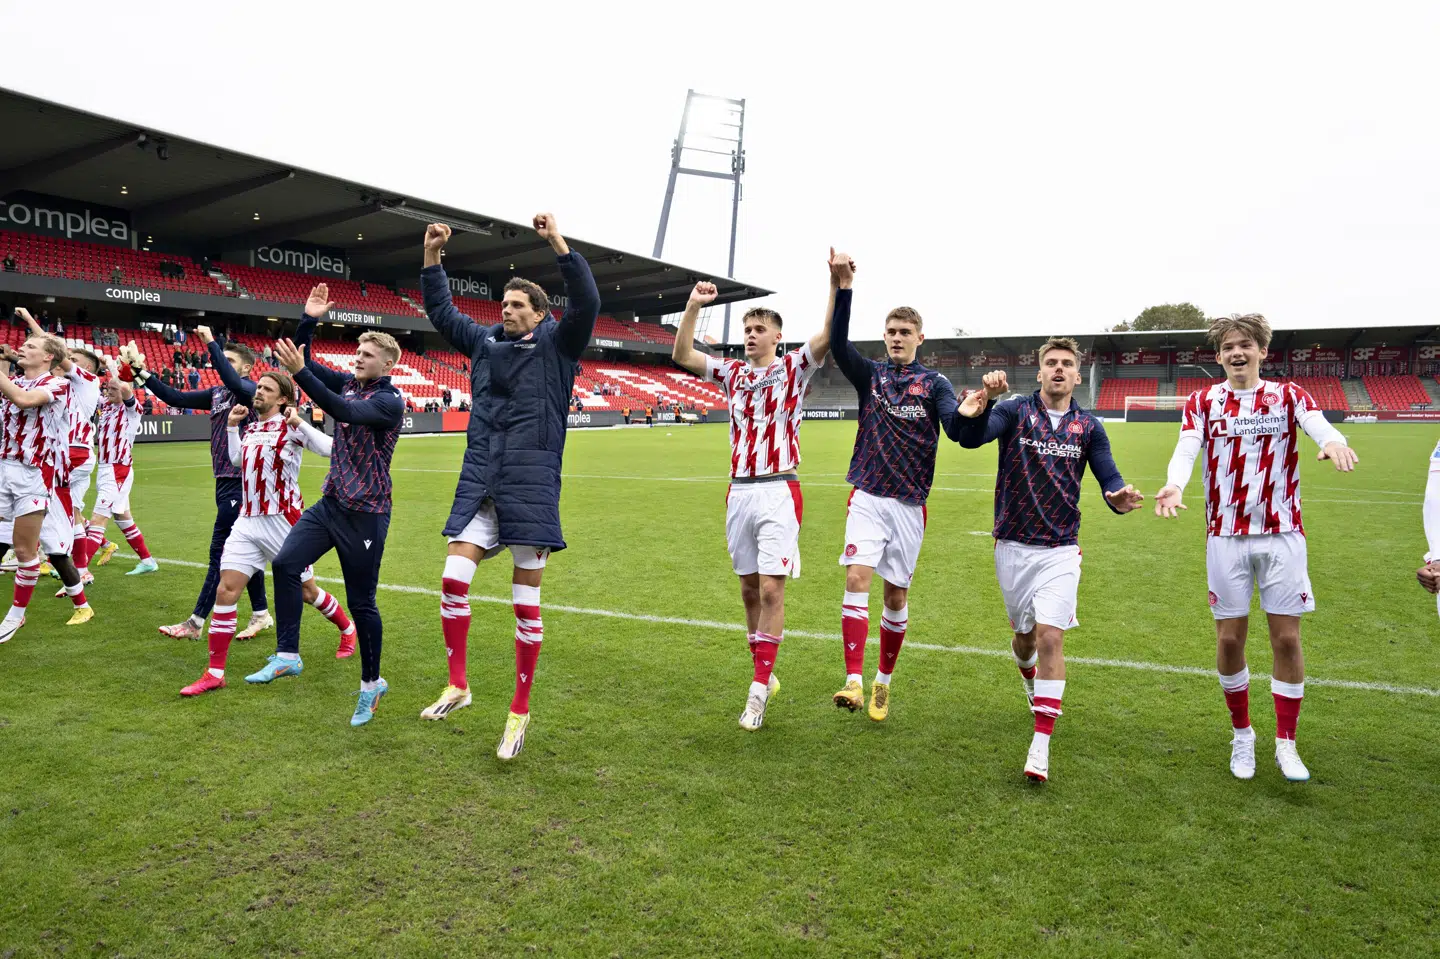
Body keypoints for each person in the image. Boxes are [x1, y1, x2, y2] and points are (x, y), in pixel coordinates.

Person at [416, 214, 600, 760]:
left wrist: (557, 244)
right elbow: (441, 312)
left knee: (526, 604)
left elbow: (586, 303)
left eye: (518, 304)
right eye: (504, 303)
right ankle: (459, 684)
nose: (507, 309)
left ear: (541, 315)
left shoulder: (559, 345)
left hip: (532, 485)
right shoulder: (484, 342)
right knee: (453, 578)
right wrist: (432, 256)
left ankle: (519, 710)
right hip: (480, 479)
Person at [1155, 314, 1357, 783]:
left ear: (1262, 351)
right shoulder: (1202, 400)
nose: (1236, 353)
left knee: (1287, 638)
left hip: (1282, 534)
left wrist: (1334, 443)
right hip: (1225, 536)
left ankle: (1286, 741)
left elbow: (1317, 423)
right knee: (1229, 639)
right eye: (1228, 347)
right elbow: (1187, 448)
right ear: (1220, 355)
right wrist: (1173, 485)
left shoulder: (1288, 394)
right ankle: (1242, 733)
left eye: (1245, 344)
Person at [956, 338, 1144, 782]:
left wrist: (1117, 498)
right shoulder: (1015, 411)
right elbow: (969, 439)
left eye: (1067, 365)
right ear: (1039, 373)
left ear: (1078, 376)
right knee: (1024, 641)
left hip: (1061, 548)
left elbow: (1109, 477)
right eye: (1051, 363)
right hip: (1013, 546)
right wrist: (981, 405)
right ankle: (1028, 680)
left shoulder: (1090, 427)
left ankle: (1040, 747)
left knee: (1050, 640)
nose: (1059, 370)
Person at [670, 265, 833, 732]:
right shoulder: (732, 373)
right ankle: (766, 670)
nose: (751, 336)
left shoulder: (793, 368)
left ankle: (757, 691)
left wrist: (835, 285)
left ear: (778, 338)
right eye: (746, 329)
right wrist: (694, 307)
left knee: (770, 589)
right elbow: (682, 353)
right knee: (747, 591)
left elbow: (825, 334)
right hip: (739, 491)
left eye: (760, 329)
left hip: (780, 488)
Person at [823, 258, 966, 722]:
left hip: (908, 505)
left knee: (895, 598)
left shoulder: (935, 384)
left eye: (905, 331)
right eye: (891, 331)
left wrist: (974, 410)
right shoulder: (872, 377)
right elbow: (839, 343)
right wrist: (845, 288)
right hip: (867, 495)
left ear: (919, 338)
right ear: (884, 337)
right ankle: (853, 680)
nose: (897, 337)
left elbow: (954, 426)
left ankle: (883, 680)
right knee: (855, 578)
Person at [255, 297, 404, 728]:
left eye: (367, 356)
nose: (358, 359)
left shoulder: (389, 401)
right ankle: (287, 654)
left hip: (366, 512)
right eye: (356, 354)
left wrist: (301, 373)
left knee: (361, 602)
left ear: (388, 363)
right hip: (332, 502)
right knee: (284, 563)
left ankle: (371, 683)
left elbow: (343, 411)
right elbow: (307, 364)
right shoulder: (351, 383)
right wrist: (308, 322)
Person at [180, 376, 357, 696]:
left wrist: (300, 422)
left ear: (282, 400)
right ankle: (215, 672)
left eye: (266, 389)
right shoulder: (251, 427)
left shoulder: (290, 427)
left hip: (283, 522)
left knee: (307, 591)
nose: (257, 392)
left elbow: (331, 450)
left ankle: (347, 628)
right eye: (258, 387)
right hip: (248, 521)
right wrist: (232, 428)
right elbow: (236, 460)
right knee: (226, 590)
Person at [125, 328, 272, 640]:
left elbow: (232, 380)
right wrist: (142, 373)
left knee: (221, 554)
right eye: (222, 360)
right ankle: (260, 614)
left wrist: (209, 342)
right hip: (224, 482)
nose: (222, 366)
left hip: (241, 483)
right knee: (247, 550)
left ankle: (194, 623)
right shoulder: (218, 393)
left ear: (246, 368)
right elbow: (173, 396)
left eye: (230, 361)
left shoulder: (247, 389)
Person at [0, 332, 83, 643]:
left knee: (24, 549)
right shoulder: (18, 382)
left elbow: (23, 401)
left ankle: (16, 615)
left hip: (32, 473)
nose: (23, 348)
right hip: (3, 467)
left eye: (30, 346)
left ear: (48, 357)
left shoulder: (57, 384)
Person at [14, 310, 108, 582]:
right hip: (76, 455)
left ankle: (39, 553)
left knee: (36, 503)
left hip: (71, 453)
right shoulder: (59, 385)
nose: (65, 363)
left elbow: (56, 353)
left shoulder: (86, 381)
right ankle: (79, 569)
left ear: (86, 367)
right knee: (73, 512)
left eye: (74, 360)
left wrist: (31, 321)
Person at [79, 365, 159, 587]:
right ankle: (148, 560)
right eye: (107, 388)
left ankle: (79, 570)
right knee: (123, 518)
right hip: (105, 467)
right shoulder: (105, 405)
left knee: (98, 519)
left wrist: (118, 369)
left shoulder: (133, 410)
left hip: (118, 469)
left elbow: (124, 387)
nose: (109, 391)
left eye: (114, 389)